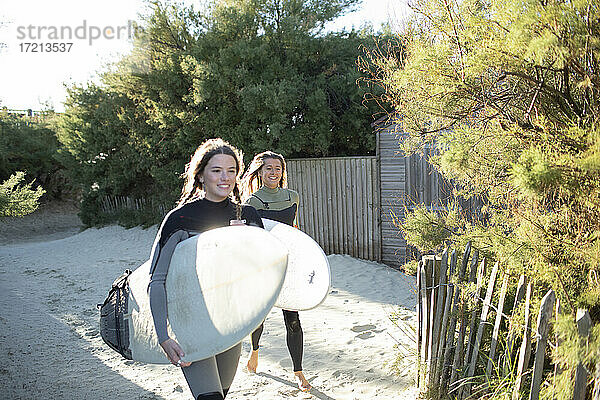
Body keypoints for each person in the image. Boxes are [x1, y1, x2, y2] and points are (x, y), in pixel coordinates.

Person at [148, 138, 263, 400]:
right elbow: (158, 280)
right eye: (216, 170)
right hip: (191, 320)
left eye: (232, 170)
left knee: (220, 395)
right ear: (200, 174)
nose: (225, 178)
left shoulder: (248, 217)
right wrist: (163, 336)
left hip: (231, 322)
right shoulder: (180, 219)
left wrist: (246, 242)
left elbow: (261, 275)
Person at [240, 150, 312, 392]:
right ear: (259, 172)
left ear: (283, 172)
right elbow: (250, 239)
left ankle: (299, 372)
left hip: (288, 264)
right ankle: (255, 351)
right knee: (258, 319)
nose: (273, 172)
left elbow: (294, 229)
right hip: (262, 267)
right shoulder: (252, 202)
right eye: (268, 168)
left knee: (293, 320)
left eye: (277, 168)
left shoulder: (293, 196)